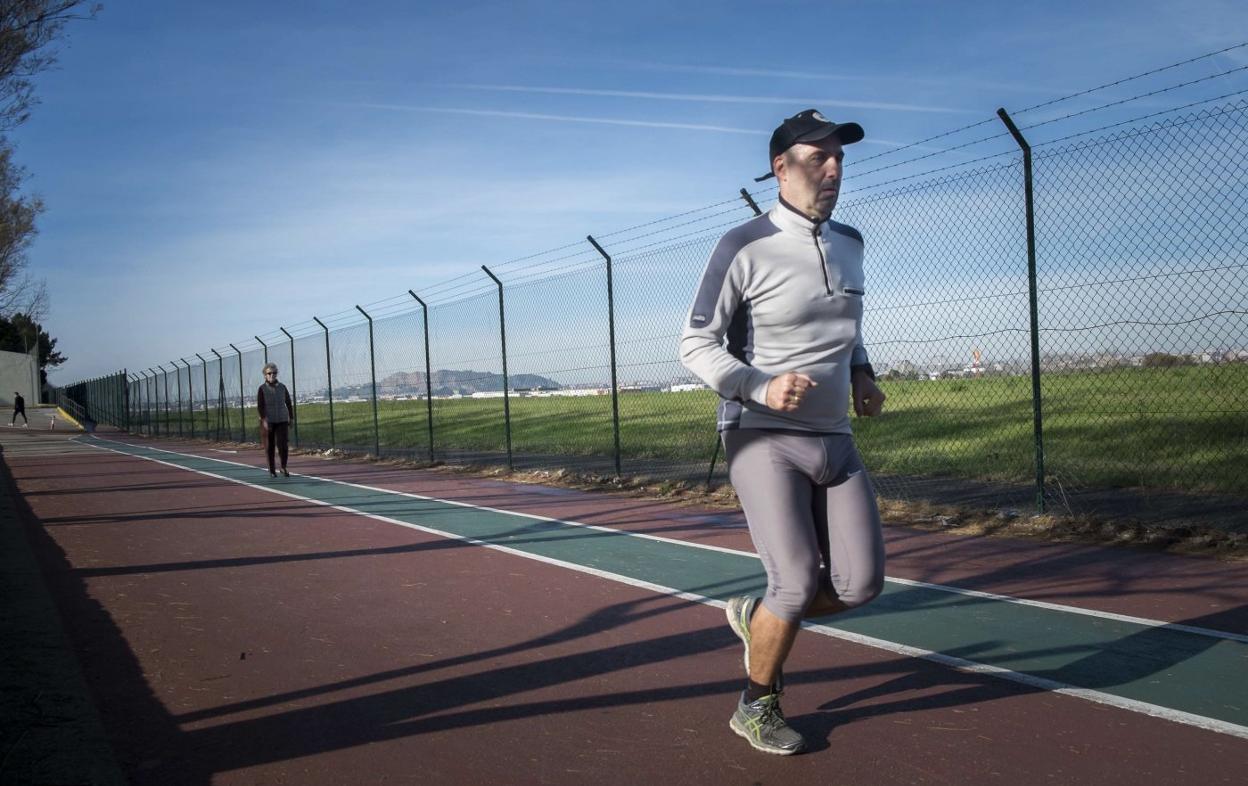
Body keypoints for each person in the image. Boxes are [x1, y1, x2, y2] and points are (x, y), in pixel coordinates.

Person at [680, 109, 888, 755]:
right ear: (781, 168)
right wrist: (758, 384)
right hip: (761, 431)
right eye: (818, 157)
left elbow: (847, 327)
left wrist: (862, 374)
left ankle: (756, 614)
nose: (833, 169)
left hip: (834, 436)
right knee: (795, 581)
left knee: (860, 585)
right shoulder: (742, 245)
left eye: (840, 158)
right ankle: (756, 705)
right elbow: (695, 343)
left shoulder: (851, 242)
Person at [257, 363, 294, 477]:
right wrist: (264, 420)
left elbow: (288, 402)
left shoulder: (282, 387)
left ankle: (283, 467)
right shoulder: (262, 389)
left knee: (283, 445)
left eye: (274, 373)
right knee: (270, 446)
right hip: (268, 421)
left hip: (282, 419)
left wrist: (291, 417)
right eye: (269, 373)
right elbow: (260, 406)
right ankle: (272, 470)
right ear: (265, 375)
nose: (272, 375)